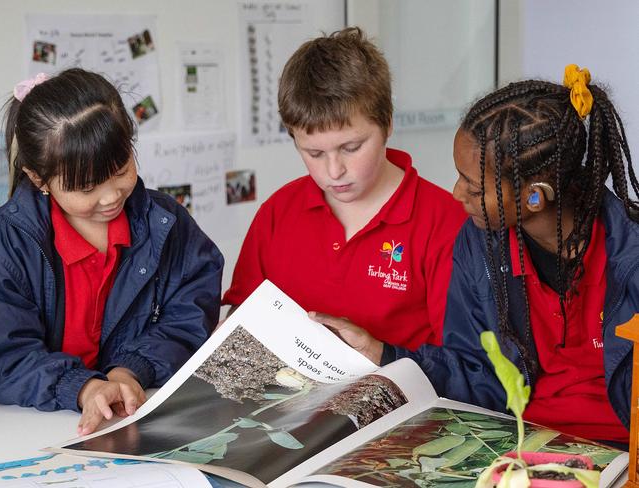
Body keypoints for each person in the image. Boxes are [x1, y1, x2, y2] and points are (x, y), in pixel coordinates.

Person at [321, 64, 639, 445]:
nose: (456, 194)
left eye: (473, 187)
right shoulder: (478, 244)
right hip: (514, 441)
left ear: (534, 196)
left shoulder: (629, 253)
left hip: (621, 453)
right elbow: (477, 373)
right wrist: (383, 354)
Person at [0, 68, 224, 436]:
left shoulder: (165, 222)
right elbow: (5, 356)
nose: (112, 195)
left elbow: (191, 311)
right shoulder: (7, 243)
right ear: (39, 179)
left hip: (139, 410)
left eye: (121, 169)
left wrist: (129, 371)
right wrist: (84, 387)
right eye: (87, 187)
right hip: (40, 425)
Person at [223, 27, 466, 351]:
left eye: (351, 147)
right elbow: (244, 313)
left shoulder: (445, 222)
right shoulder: (279, 211)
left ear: (388, 123)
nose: (334, 171)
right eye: (314, 153)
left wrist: (379, 353)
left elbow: (464, 365)